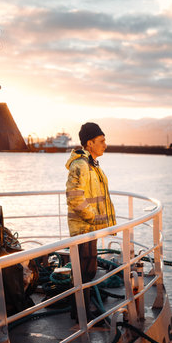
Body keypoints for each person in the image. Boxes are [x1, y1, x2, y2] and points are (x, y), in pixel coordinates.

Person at [65, 122, 116, 322]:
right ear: (89, 143)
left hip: (90, 228)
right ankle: (81, 314)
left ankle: (80, 312)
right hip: (84, 228)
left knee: (88, 270)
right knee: (84, 272)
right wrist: (93, 218)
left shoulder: (92, 165)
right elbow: (75, 197)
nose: (105, 144)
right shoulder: (80, 165)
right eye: (101, 141)